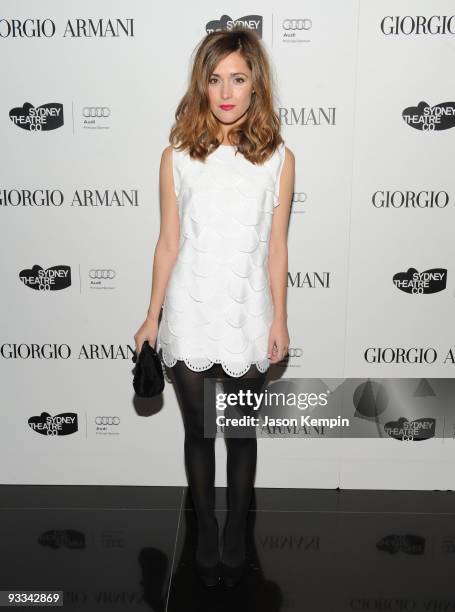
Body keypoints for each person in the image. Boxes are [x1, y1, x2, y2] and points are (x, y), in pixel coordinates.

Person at [134, 26, 294, 588]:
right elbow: (168, 242)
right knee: (200, 434)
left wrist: (279, 316)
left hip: (247, 311)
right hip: (191, 309)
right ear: (202, 85)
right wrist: (152, 316)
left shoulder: (278, 158)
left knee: (242, 432)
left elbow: (277, 247)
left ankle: (236, 534)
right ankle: (204, 527)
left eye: (238, 78)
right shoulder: (176, 156)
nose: (226, 92)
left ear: (256, 86)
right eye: (215, 78)